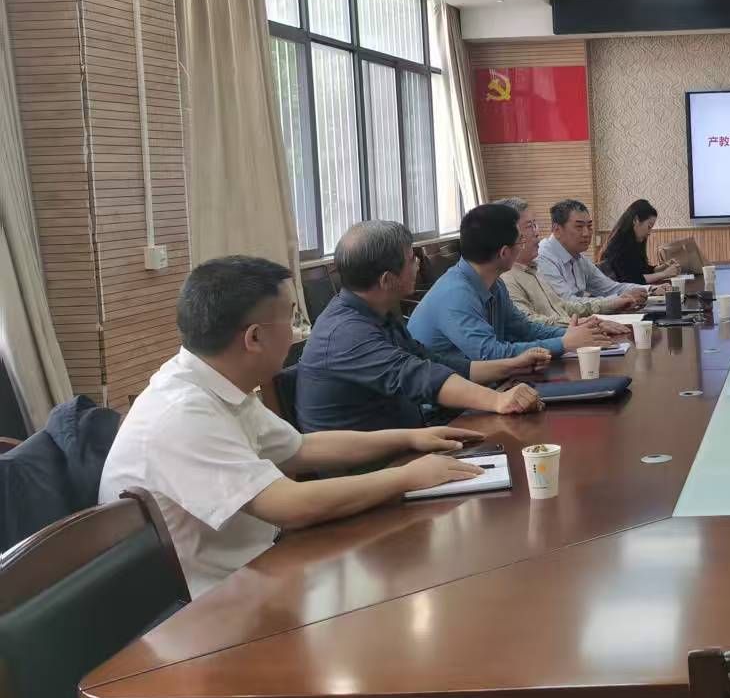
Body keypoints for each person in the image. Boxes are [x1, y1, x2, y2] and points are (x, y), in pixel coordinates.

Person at [98, 256, 486, 597]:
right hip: (211, 607)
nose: (300, 331)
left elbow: (301, 448)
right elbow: (288, 505)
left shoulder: (215, 383)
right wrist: (407, 477)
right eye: (293, 318)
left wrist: (410, 438)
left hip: (258, 568)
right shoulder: (181, 413)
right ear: (254, 337)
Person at [297, 221, 544, 432]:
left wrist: (510, 365)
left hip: (407, 440)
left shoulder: (376, 311)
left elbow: (432, 362)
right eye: (410, 259)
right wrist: (498, 401)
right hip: (376, 465)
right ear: (387, 280)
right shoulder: (345, 332)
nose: (418, 264)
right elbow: (419, 376)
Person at [408, 203, 610, 365]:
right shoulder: (456, 294)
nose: (525, 245)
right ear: (504, 253)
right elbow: (491, 355)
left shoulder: (494, 284)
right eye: (520, 241)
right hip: (448, 402)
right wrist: (563, 343)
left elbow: (524, 329)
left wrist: (575, 334)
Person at [498, 197, 643, 329]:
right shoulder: (507, 276)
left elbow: (562, 306)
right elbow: (528, 323)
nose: (537, 233)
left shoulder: (532, 269)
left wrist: (612, 304)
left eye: (535, 225)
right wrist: (586, 324)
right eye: (530, 226)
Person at [537, 199, 648, 305]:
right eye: (579, 226)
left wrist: (649, 289)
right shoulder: (543, 258)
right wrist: (618, 300)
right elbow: (566, 303)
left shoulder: (578, 257)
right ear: (557, 230)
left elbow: (609, 287)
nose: (586, 233)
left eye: (589, 226)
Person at [599, 199, 681, 286]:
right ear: (636, 220)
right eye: (649, 226)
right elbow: (631, 279)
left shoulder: (634, 241)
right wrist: (664, 274)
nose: (649, 232)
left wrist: (662, 268)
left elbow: (641, 270)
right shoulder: (619, 246)